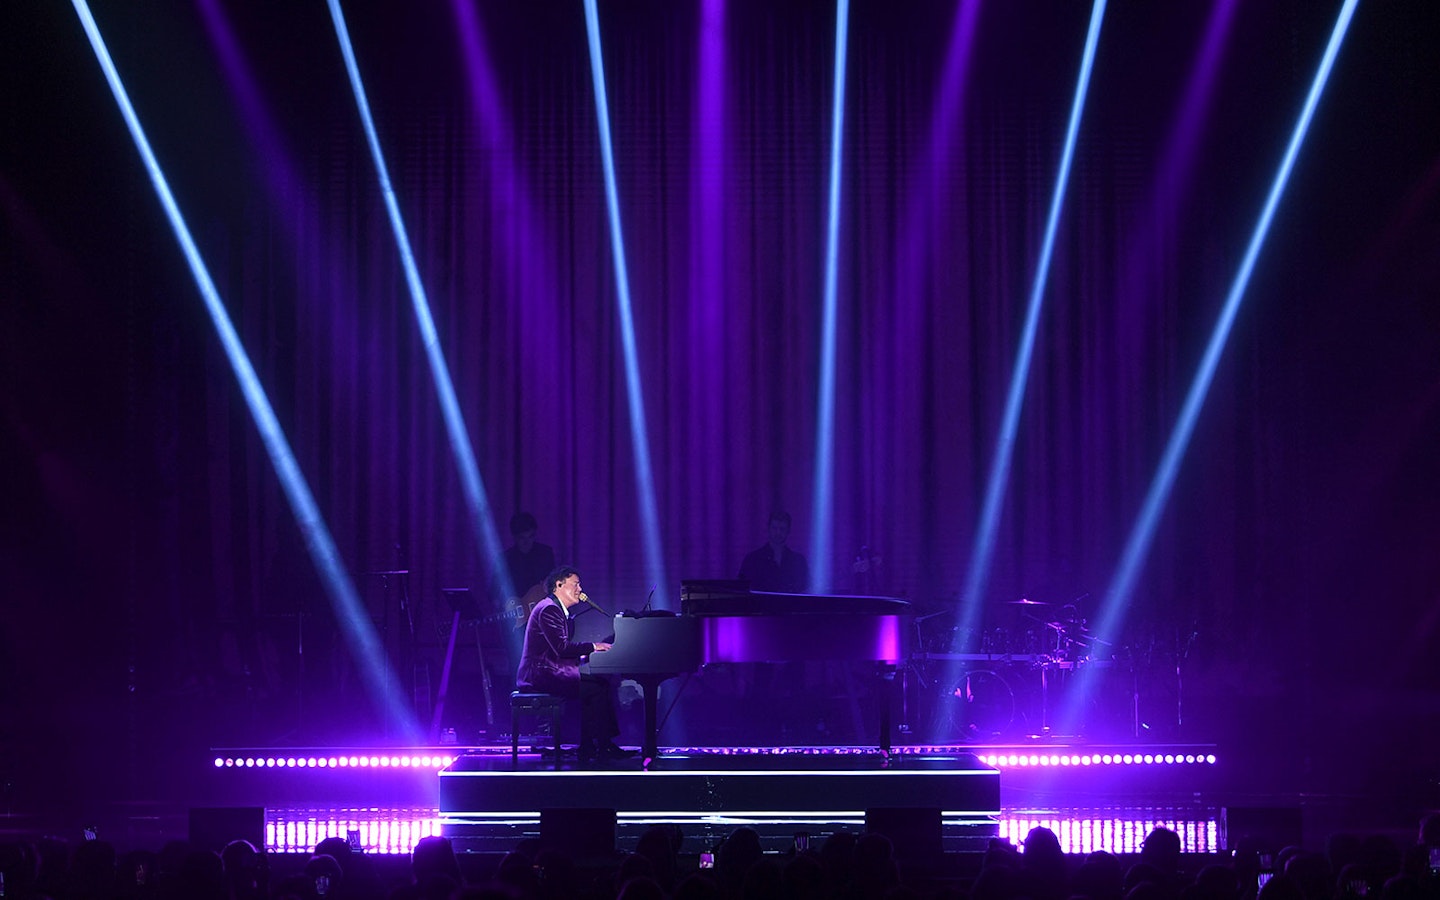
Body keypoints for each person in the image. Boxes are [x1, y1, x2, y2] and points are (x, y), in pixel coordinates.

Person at [515, 565, 633, 762]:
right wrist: (594, 646)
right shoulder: (549, 609)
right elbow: (562, 648)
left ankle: (590, 746)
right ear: (558, 585)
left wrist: (586, 655)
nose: (580, 589)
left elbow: (558, 650)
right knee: (598, 687)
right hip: (539, 674)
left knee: (596, 685)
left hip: (548, 671)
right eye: (576, 584)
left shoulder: (554, 609)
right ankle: (602, 746)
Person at [738, 510, 809, 593]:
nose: (778, 533)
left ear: (788, 531)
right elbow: (742, 588)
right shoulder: (753, 559)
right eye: (774, 528)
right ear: (768, 529)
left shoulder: (798, 561)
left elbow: (805, 589)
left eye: (782, 529)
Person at [503, 511, 557, 603]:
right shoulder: (506, 559)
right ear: (515, 537)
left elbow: (555, 583)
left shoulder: (545, 554)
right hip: (515, 609)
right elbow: (494, 591)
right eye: (522, 538)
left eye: (530, 536)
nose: (527, 542)